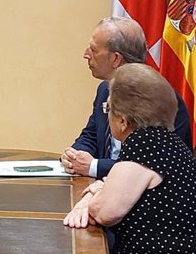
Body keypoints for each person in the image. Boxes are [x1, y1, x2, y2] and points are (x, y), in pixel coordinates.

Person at [63, 64, 196, 254]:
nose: (108, 114)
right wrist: (99, 190)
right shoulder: (168, 143)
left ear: (123, 120)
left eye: (108, 108)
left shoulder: (145, 143)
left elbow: (106, 211)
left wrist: (93, 195)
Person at [61, 17, 191, 178]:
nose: (86, 55)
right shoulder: (105, 89)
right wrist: (75, 156)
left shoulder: (159, 100)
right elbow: (91, 135)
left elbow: (149, 164)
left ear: (115, 58)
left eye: (93, 50)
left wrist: (94, 166)